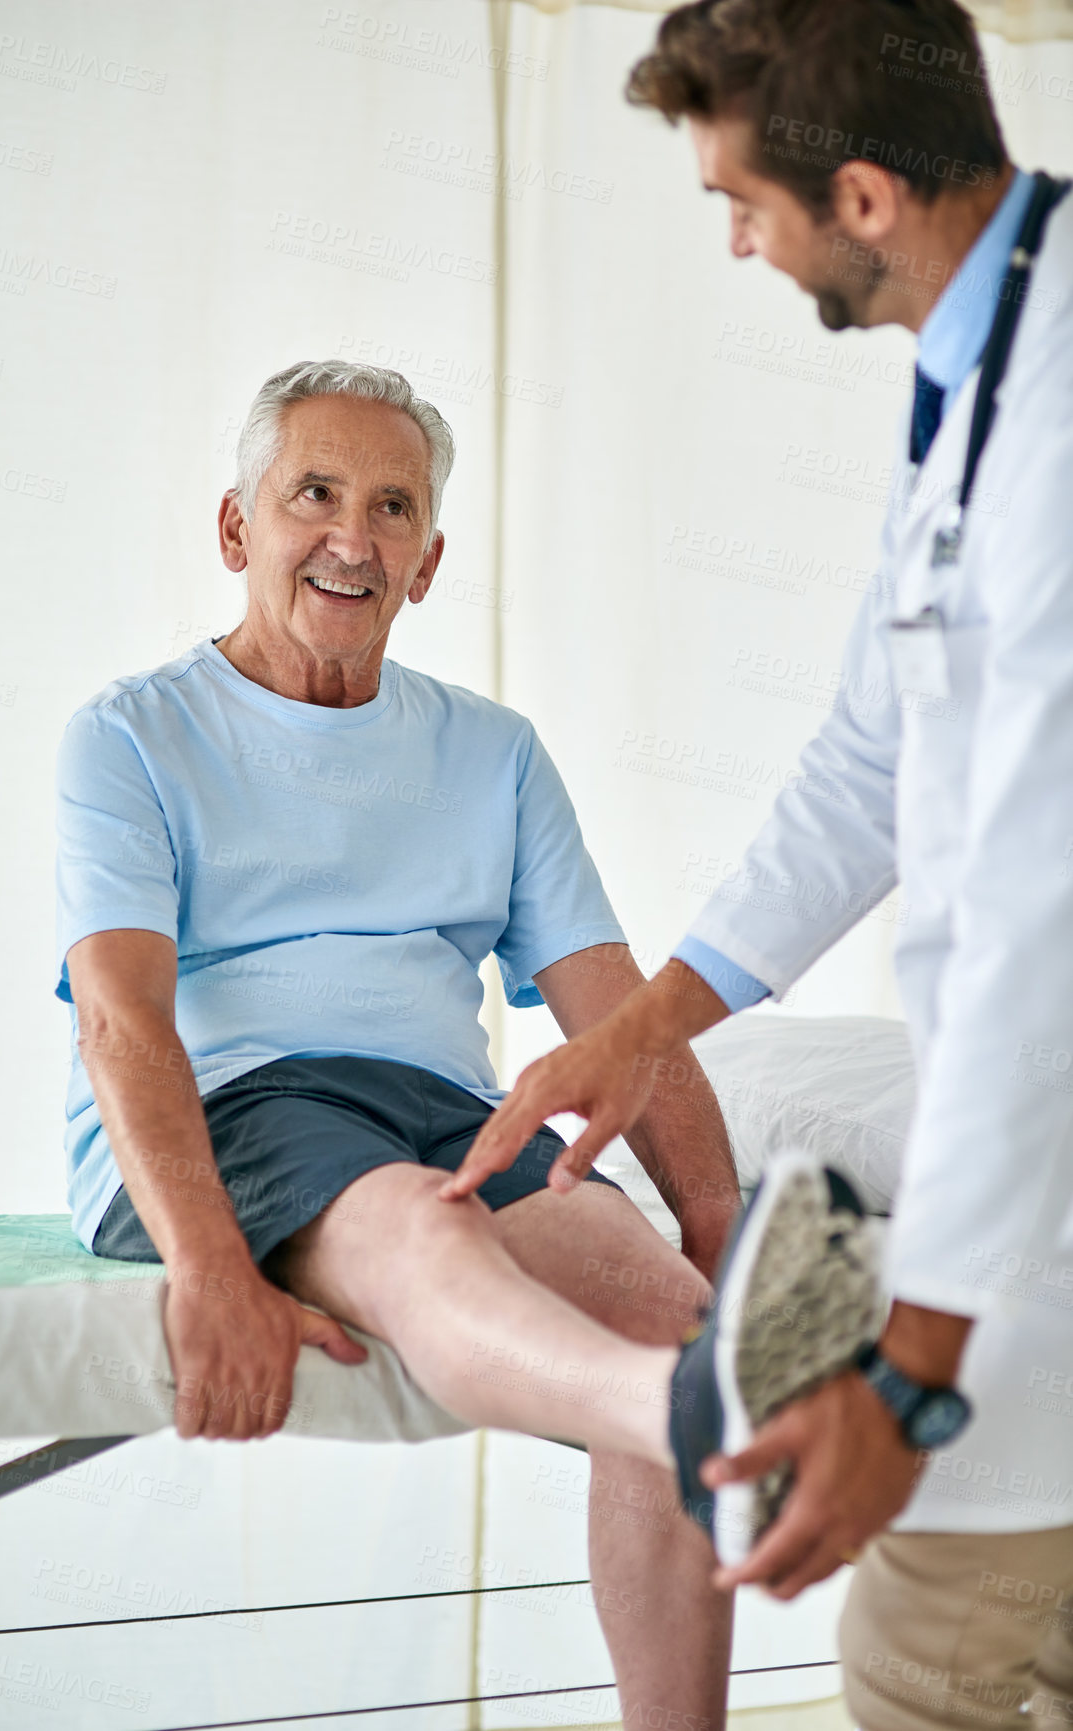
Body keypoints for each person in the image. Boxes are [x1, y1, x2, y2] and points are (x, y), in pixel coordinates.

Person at [60, 357, 866, 1726]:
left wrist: (718, 1224)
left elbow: (618, 1010)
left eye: (392, 508)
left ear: (427, 563)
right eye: (313, 492)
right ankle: (692, 1408)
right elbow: (123, 1020)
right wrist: (207, 1268)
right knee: (429, 1241)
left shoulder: (492, 752)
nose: (351, 538)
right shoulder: (133, 736)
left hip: (442, 1103)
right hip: (242, 1104)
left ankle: (693, 1410)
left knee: (672, 1316)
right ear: (236, 526)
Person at [442, 4, 1073, 1726]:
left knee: (932, 1665)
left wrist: (916, 1380)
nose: (733, 237)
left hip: (1036, 1191)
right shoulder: (977, 363)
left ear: (862, 196)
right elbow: (871, 760)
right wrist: (652, 1030)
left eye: (742, 199)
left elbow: (1034, 911)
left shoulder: (1060, 405)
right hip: (1023, 1177)